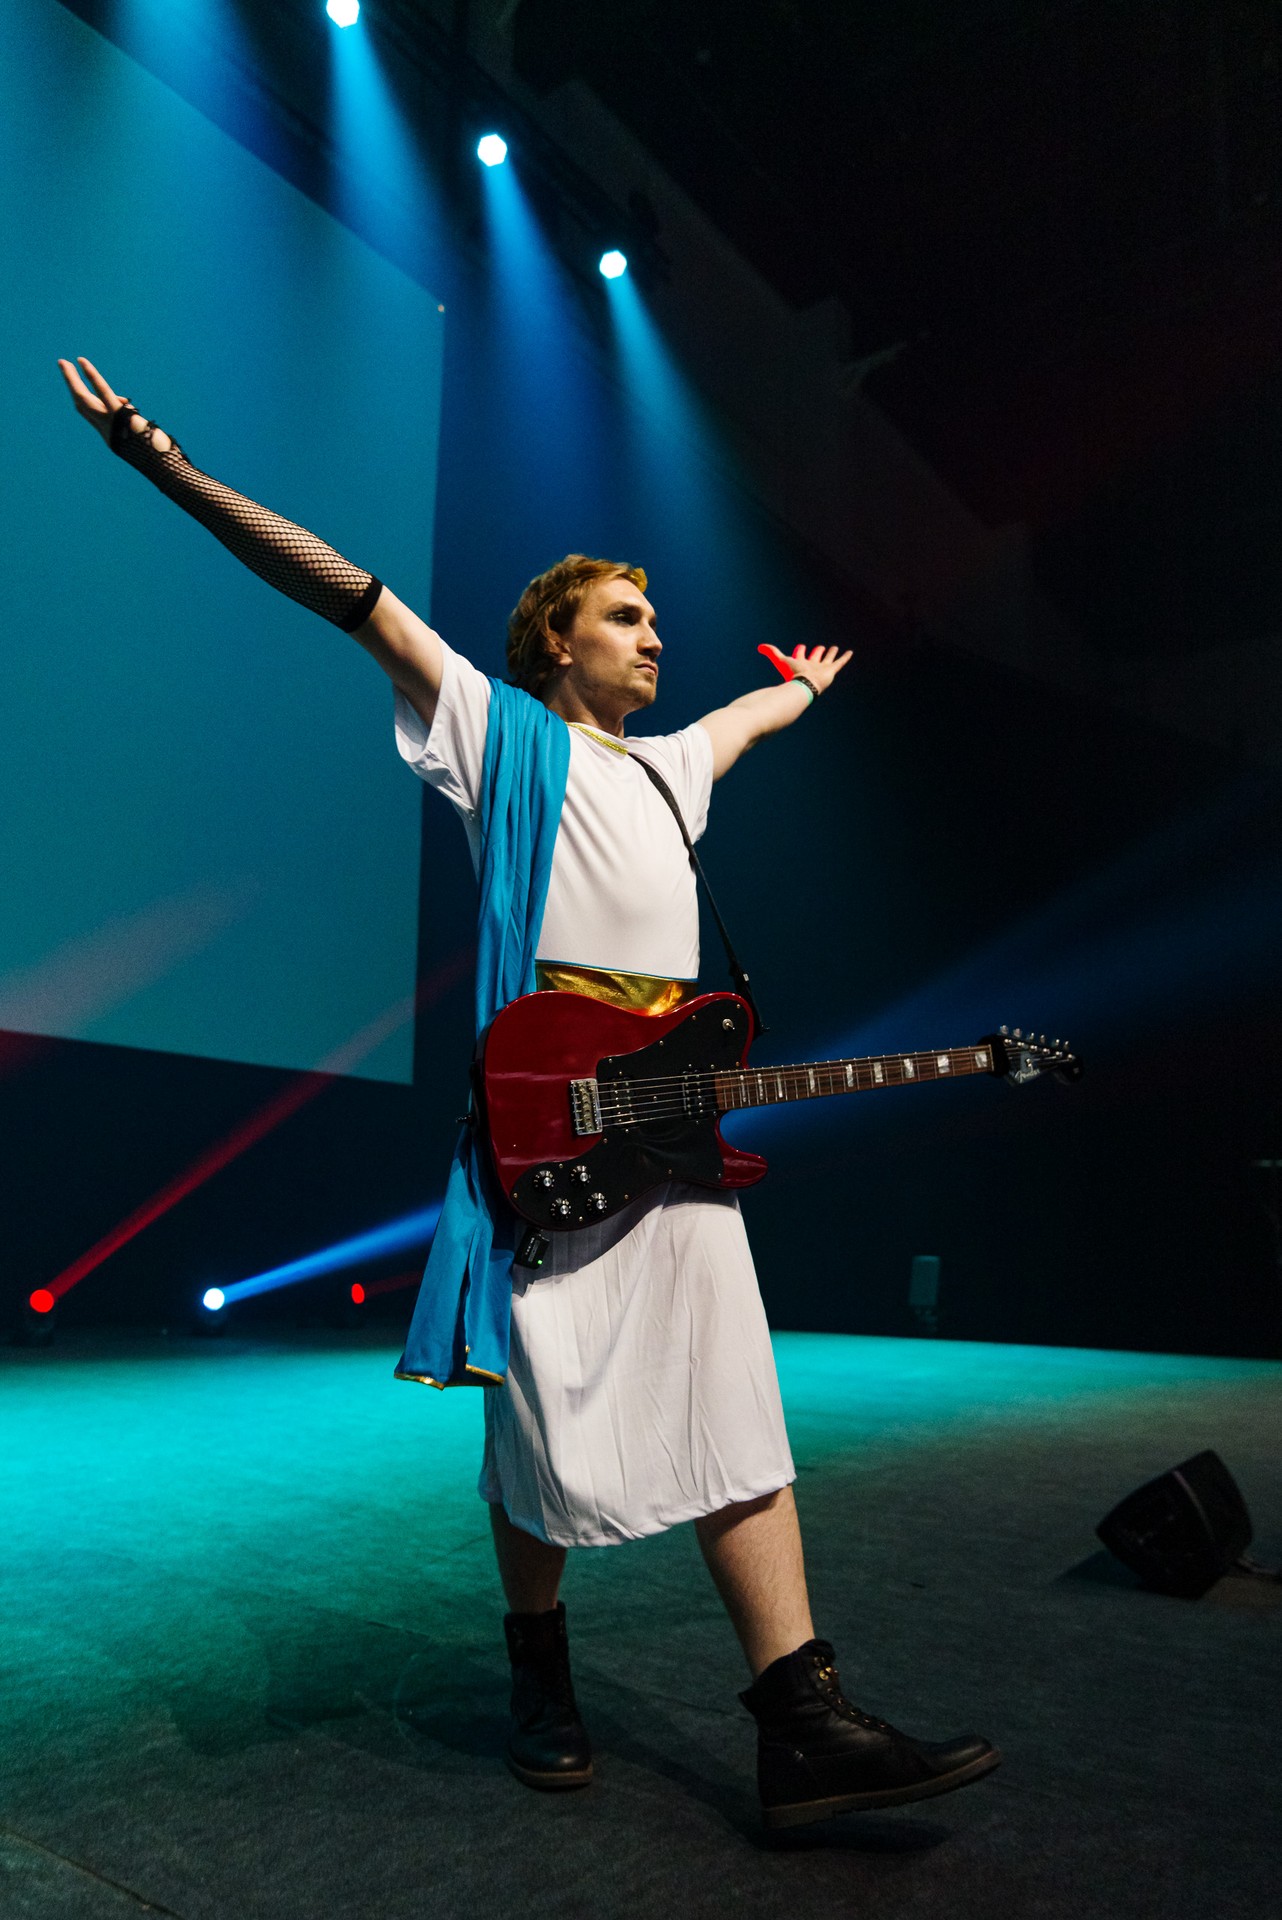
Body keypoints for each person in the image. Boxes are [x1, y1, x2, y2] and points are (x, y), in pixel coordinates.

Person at [58, 355, 1000, 1828]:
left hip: (676, 1134)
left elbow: (747, 725)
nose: (655, 635)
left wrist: (799, 694)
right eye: (625, 616)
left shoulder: (673, 771)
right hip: (545, 1127)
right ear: (554, 638)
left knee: (738, 1408)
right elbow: (345, 593)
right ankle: (539, 1667)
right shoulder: (496, 729)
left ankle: (801, 1717)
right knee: (540, 1426)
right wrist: (172, 472)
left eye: (655, 618)